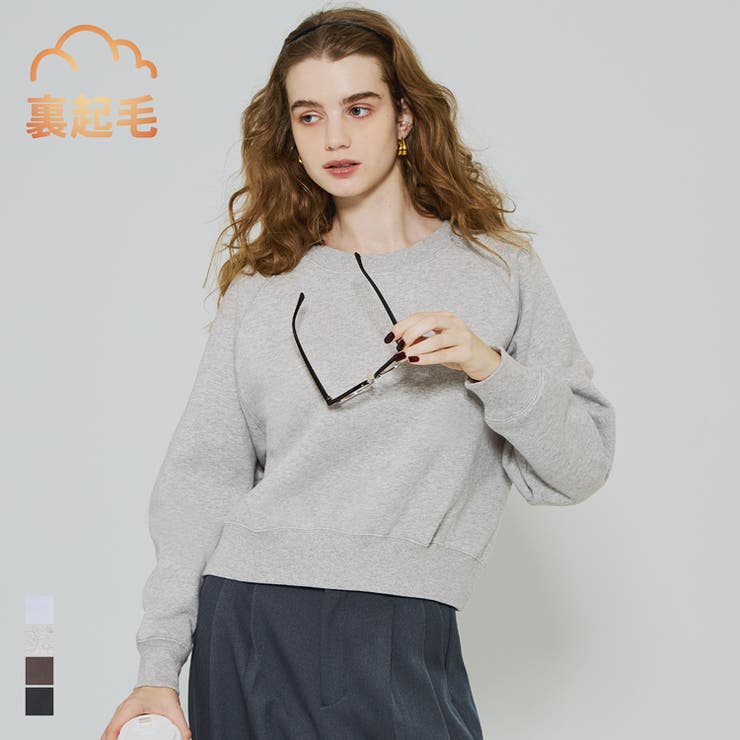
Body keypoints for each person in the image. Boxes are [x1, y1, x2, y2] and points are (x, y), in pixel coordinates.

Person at [101, 6, 617, 739]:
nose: (334, 138)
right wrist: (157, 668)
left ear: (404, 117)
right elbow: (201, 480)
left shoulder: (499, 272)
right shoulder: (264, 290)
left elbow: (581, 466)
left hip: (408, 625)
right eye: (309, 116)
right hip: (254, 620)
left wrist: (488, 366)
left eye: (359, 108)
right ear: (289, 134)